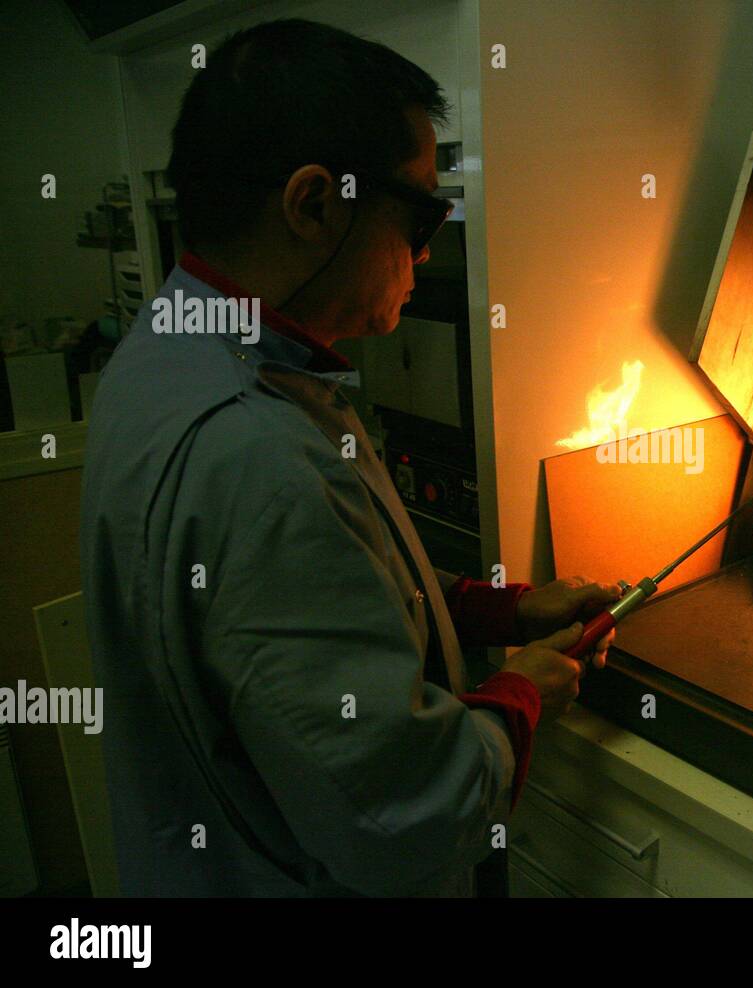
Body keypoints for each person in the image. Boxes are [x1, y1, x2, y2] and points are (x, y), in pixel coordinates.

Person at [79, 18, 617, 897]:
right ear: (314, 204)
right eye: (422, 213)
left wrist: (496, 612)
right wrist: (522, 694)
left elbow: (315, 604)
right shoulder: (253, 447)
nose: (431, 247)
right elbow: (410, 820)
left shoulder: (177, 349)